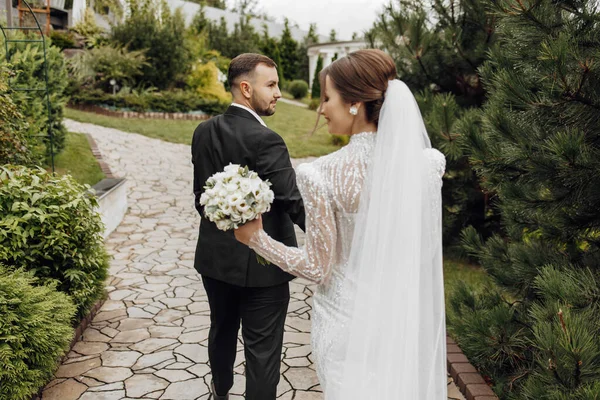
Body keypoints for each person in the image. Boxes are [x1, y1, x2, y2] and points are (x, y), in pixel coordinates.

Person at [234, 49, 447, 399]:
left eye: (327, 98)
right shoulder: (427, 165)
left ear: (354, 104)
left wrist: (257, 239)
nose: (321, 108)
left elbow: (318, 268)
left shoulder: (321, 175)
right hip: (401, 322)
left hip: (344, 324)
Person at [191, 53, 305, 400]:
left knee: (221, 330)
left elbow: (201, 198)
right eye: (270, 84)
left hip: (215, 261)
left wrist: (226, 215)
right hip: (264, 267)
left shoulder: (203, 131)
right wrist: (333, 232)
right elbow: (291, 201)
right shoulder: (267, 140)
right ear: (245, 88)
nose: (279, 93)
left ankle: (220, 392)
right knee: (263, 350)